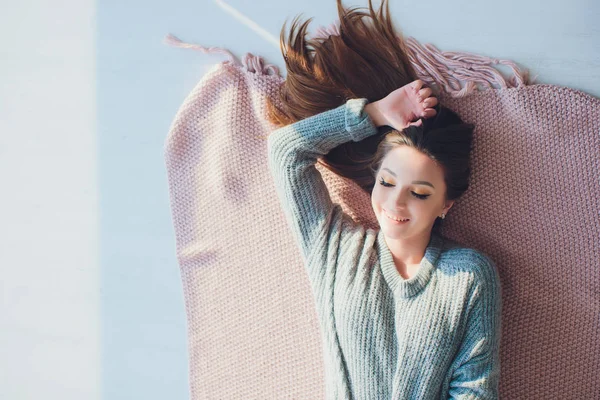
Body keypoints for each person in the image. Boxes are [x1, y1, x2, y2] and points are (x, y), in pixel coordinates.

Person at [266, 0, 502, 399]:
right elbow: (286, 152)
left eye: (419, 193)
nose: (395, 203)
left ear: (445, 204)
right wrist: (375, 113)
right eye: (388, 182)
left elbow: (474, 392)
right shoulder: (336, 251)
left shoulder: (469, 276)